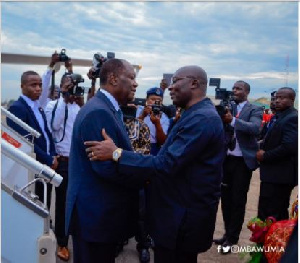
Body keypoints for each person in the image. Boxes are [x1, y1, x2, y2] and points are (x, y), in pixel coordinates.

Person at [84, 65, 225, 263]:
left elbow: (167, 163)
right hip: (177, 215)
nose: (170, 87)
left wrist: (116, 153)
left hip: (182, 220)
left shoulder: (202, 118)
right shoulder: (194, 113)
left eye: (176, 81)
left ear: (194, 83)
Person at [65, 58, 144, 263]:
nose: (135, 83)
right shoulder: (99, 111)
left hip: (99, 217)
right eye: (131, 78)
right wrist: (143, 177)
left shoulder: (107, 108)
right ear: (113, 78)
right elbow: (105, 168)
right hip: (95, 218)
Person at [214, 80, 263, 254]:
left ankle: (233, 238)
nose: (235, 91)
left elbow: (255, 128)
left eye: (239, 88)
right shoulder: (228, 106)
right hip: (226, 159)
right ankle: (227, 233)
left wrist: (233, 121)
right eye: (233, 88)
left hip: (242, 162)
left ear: (247, 92)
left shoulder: (255, 109)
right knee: (226, 199)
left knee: (237, 200)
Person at [45, 71, 84, 261]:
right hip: (63, 162)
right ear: (61, 86)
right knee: (62, 205)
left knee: (78, 203)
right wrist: (63, 98)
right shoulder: (54, 105)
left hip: (80, 162)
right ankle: (62, 242)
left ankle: (75, 236)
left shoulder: (79, 107)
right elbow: (54, 125)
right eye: (69, 85)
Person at [7, 71, 58, 209]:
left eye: (40, 85)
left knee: (45, 200)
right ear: (22, 86)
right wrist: (48, 159)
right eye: (33, 85)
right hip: (34, 166)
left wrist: (53, 155)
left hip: (47, 163)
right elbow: (25, 141)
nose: (38, 89)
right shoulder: (18, 108)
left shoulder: (37, 107)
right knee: (36, 202)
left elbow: (47, 134)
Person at [256, 87, 298, 221]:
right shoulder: (279, 116)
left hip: (280, 176)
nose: (277, 101)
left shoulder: (292, 118)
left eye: (282, 98)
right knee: (269, 211)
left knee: (272, 214)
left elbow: (289, 147)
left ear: (292, 100)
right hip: (273, 175)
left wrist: (265, 155)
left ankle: (272, 241)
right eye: (276, 98)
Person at [137, 87, 170, 155]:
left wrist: (157, 123)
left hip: (153, 148)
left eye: (159, 100)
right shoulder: (138, 110)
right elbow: (131, 130)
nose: (155, 102)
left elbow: (162, 141)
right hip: (137, 144)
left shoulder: (164, 118)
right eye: (152, 99)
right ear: (146, 100)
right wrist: (143, 116)